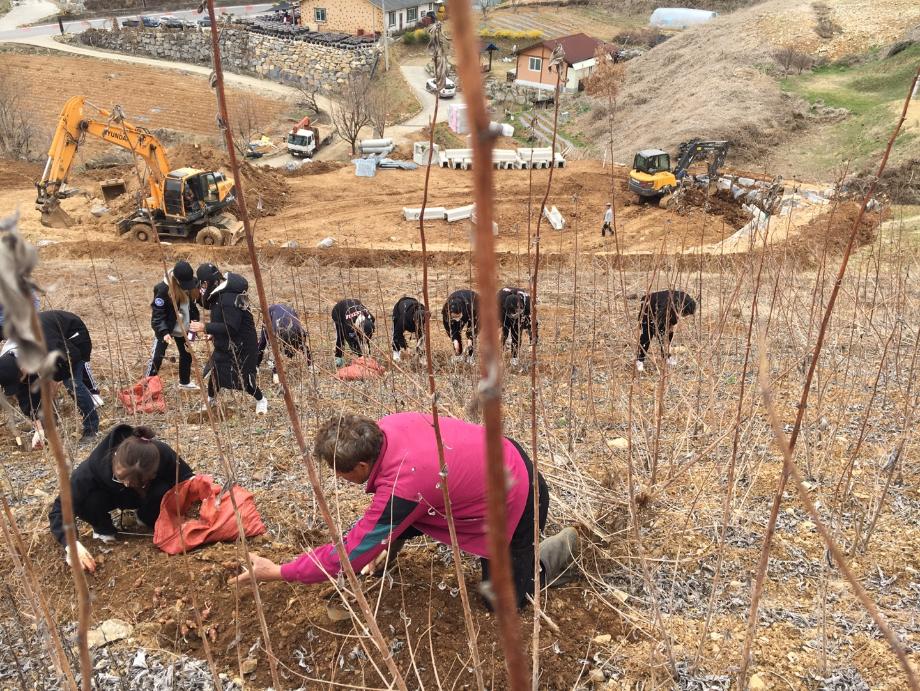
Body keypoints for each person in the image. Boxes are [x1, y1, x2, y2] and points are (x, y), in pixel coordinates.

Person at [232, 412, 579, 609]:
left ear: (362, 465)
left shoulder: (405, 483)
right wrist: (384, 546)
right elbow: (399, 511)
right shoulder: (387, 428)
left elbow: (347, 555)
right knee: (397, 519)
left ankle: (554, 554)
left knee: (504, 602)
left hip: (517, 494)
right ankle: (386, 554)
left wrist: (277, 571)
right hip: (489, 465)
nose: (338, 478)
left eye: (340, 472)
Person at [48, 424, 194, 572]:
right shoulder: (92, 468)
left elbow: (187, 478)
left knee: (164, 489)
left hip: (146, 497)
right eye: (120, 478)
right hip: (108, 499)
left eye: (136, 482)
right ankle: (103, 529)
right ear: (115, 459)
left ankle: (146, 517)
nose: (126, 484)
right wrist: (71, 545)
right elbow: (60, 508)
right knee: (87, 500)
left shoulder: (159, 454)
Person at [0, 310, 99, 445]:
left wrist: (55, 378)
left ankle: (92, 428)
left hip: (73, 336)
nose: (21, 381)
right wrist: (39, 428)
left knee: (72, 383)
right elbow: (26, 397)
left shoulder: (43, 341)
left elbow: (72, 356)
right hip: (48, 346)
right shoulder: (7, 361)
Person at [189, 263, 266, 414]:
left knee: (244, 379)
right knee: (215, 373)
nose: (202, 289)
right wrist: (214, 333)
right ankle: (211, 400)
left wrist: (205, 327)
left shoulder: (229, 298)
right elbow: (223, 320)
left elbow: (231, 327)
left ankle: (261, 400)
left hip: (242, 346)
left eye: (203, 285)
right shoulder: (222, 293)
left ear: (207, 283)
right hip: (227, 344)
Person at [145, 260, 200, 390]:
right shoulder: (163, 289)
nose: (187, 286)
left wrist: (194, 320)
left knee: (186, 354)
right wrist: (164, 332)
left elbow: (192, 306)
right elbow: (158, 314)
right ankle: (147, 384)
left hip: (184, 326)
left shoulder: (191, 282)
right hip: (167, 327)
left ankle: (184, 382)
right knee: (157, 357)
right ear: (177, 280)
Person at [635, 289, 697, 372]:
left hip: (660, 307)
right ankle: (640, 360)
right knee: (647, 336)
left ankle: (666, 356)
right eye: (685, 314)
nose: (684, 316)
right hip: (649, 306)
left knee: (667, 334)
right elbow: (666, 320)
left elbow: (672, 320)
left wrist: (670, 327)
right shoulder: (669, 306)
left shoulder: (685, 299)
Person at [257, 303, 312, 383]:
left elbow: (305, 347)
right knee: (263, 341)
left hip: (290, 317)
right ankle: (256, 365)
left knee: (301, 345)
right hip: (272, 313)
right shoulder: (278, 334)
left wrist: (310, 365)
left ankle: (310, 366)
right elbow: (275, 352)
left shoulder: (300, 334)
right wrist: (275, 373)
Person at [331, 299, 375, 368]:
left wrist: (367, 351)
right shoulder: (349, 325)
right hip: (338, 311)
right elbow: (351, 342)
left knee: (364, 341)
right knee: (340, 336)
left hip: (354, 303)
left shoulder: (370, 317)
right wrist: (361, 356)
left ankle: (367, 357)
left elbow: (368, 333)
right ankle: (339, 357)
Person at [442, 289, 479, 363]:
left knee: (471, 337)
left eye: (459, 316)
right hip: (461, 308)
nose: (457, 319)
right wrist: (454, 340)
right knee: (456, 333)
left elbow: (475, 324)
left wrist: (470, 338)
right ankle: (458, 354)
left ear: (462, 312)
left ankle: (471, 355)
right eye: (454, 317)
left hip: (475, 304)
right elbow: (450, 329)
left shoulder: (469, 308)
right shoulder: (445, 313)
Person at [498, 287, 533, 366]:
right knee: (503, 332)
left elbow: (532, 324)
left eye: (515, 312)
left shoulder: (528, 304)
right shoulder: (500, 299)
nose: (513, 315)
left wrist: (532, 341)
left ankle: (514, 358)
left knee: (516, 334)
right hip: (503, 311)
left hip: (520, 315)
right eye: (512, 314)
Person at [391, 296, 427, 362]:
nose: (418, 326)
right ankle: (396, 352)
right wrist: (406, 347)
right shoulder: (403, 320)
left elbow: (422, 336)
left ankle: (421, 356)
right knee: (396, 333)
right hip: (399, 309)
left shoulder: (425, 314)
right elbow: (398, 334)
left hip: (413, 302)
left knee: (422, 335)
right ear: (413, 319)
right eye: (417, 324)